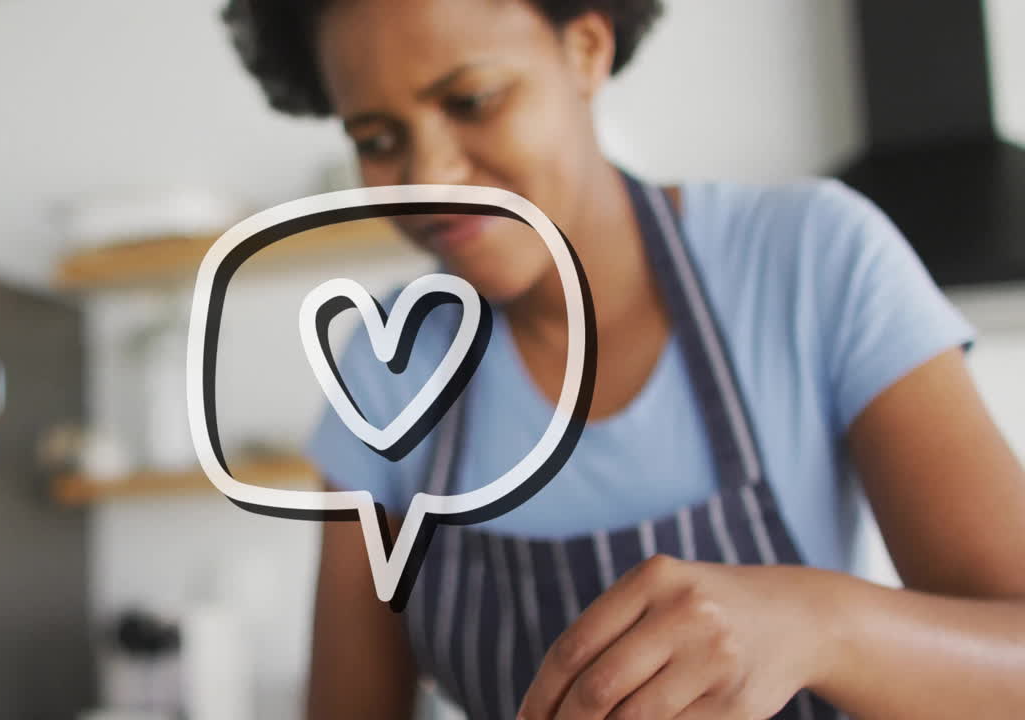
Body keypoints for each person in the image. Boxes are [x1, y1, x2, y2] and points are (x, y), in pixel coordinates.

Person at [223, 1, 1025, 718]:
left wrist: (822, 626)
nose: (429, 177)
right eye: (378, 139)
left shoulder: (811, 260)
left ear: (586, 49)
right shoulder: (388, 367)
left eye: (472, 100)